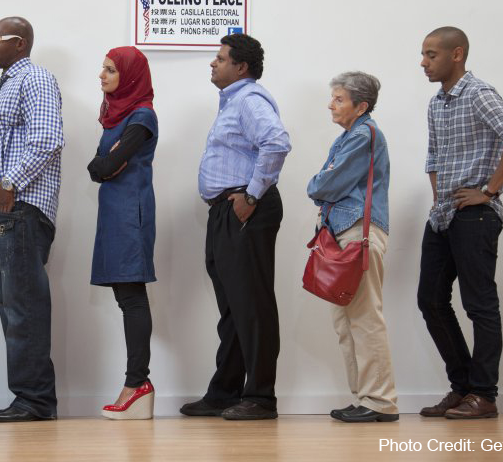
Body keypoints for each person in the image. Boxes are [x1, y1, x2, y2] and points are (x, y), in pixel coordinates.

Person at [417, 26, 503, 420]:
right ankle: (463, 387)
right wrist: (438, 202)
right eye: (424, 54)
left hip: (476, 215)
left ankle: (484, 395)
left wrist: (490, 190)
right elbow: (433, 158)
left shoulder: (479, 94)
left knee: (479, 304)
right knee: (429, 299)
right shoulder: (437, 103)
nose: (424, 62)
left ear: (457, 54)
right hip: (444, 216)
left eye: (432, 54)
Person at [182, 33, 291, 421]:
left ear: (240, 67)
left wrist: (252, 196)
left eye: (220, 58)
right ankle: (225, 392)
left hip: (245, 209)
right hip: (226, 211)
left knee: (252, 304)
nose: (213, 63)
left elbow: (277, 143)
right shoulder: (232, 102)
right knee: (232, 307)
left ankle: (261, 397)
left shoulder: (248, 100)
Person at [0, 16, 64, 422]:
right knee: (13, 305)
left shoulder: (34, 79)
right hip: (4, 210)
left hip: (21, 209)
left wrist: (10, 183)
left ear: (19, 43)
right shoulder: (5, 85)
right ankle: (29, 397)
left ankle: (36, 401)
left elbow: (47, 138)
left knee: (24, 307)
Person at [306, 72, 398, 423]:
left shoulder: (364, 135)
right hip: (345, 232)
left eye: (339, 99)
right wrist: (321, 181)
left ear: (361, 105)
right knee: (346, 321)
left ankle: (381, 401)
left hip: (359, 231)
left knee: (364, 318)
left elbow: (325, 183)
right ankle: (364, 396)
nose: (331, 104)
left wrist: (318, 181)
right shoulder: (350, 136)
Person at [86, 46, 159, 420]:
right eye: (103, 68)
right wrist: (103, 164)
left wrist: (105, 163)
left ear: (129, 76)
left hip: (130, 213)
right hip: (115, 212)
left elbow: (109, 163)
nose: (102, 75)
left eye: (111, 70)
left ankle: (137, 384)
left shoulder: (142, 116)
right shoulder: (116, 118)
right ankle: (136, 383)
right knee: (124, 296)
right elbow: (99, 166)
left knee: (131, 295)